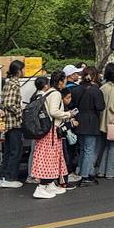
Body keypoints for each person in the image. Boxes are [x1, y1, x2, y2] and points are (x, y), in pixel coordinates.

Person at [31, 70, 74, 199]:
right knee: (48, 159)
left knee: (52, 158)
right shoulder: (55, 94)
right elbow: (54, 111)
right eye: (65, 80)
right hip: (51, 131)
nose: (66, 82)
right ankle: (41, 187)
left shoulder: (48, 92)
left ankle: (49, 184)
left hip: (48, 130)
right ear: (61, 81)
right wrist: (68, 114)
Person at [71, 66, 105, 185]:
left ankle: (82, 171)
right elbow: (101, 107)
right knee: (89, 150)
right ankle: (85, 176)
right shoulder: (96, 90)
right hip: (91, 122)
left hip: (79, 120)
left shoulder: (76, 89)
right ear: (94, 76)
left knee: (83, 149)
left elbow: (72, 104)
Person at [0, 60, 25, 189]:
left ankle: (4, 176)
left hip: (6, 123)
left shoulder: (7, 83)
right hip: (14, 123)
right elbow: (10, 103)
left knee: (8, 151)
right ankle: (10, 178)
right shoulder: (15, 84)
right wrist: (21, 113)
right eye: (23, 69)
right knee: (16, 151)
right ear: (19, 71)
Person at [26, 76, 49, 184]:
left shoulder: (33, 96)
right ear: (45, 86)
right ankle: (34, 175)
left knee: (33, 151)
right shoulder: (43, 97)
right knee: (38, 152)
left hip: (33, 128)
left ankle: (31, 174)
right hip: (40, 128)